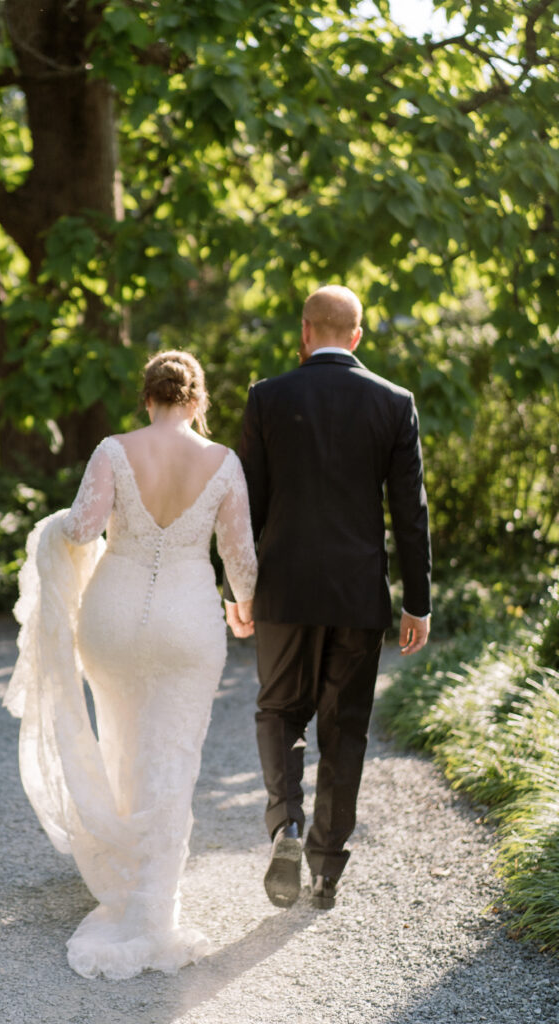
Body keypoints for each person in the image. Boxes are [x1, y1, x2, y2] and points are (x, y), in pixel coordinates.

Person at [4, 350, 257, 980]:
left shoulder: (114, 450)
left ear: (147, 398)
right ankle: (153, 905)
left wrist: (49, 529)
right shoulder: (223, 462)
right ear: (196, 400)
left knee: (123, 740)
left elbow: (84, 529)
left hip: (113, 620)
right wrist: (243, 606)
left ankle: (125, 872)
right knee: (173, 754)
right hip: (188, 622)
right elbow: (240, 555)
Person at [225, 284, 431, 911]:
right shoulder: (394, 403)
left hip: (283, 590)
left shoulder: (267, 397)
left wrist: (237, 590)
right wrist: (416, 601)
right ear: (357, 337)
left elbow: (244, 506)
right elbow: (409, 511)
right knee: (344, 730)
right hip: (355, 595)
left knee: (279, 711)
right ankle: (325, 870)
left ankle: (285, 825)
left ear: (305, 333)